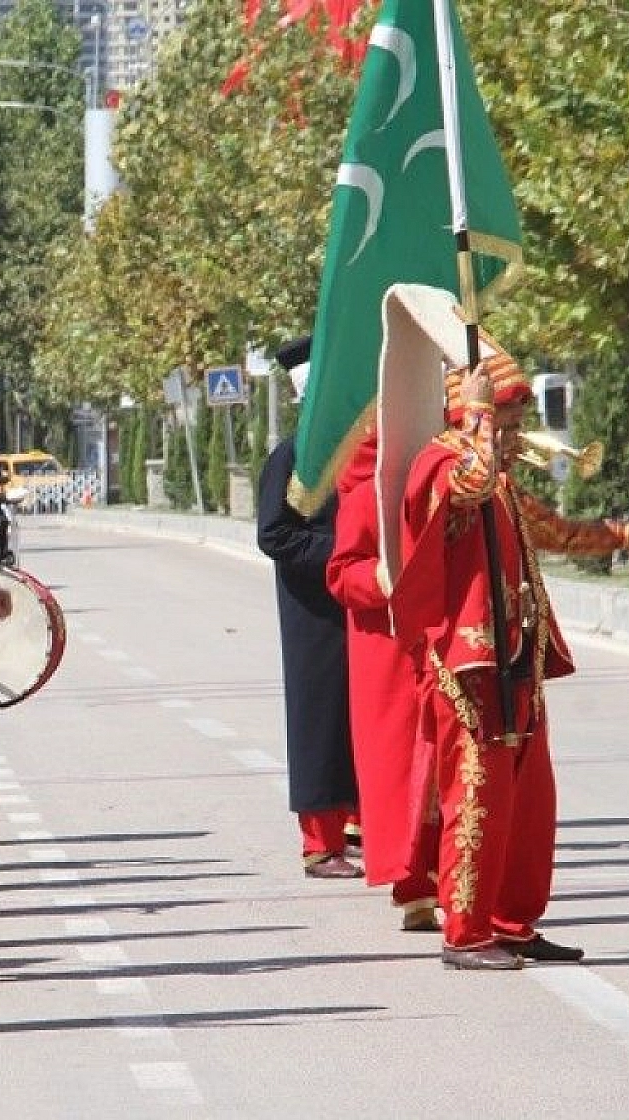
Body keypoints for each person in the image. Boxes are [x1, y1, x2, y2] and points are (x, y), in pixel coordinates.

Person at [392, 337, 629, 970]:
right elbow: (468, 483)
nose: (518, 437)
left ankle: (511, 921)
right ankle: (466, 933)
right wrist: (479, 414)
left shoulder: (502, 480)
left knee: (529, 803)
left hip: (519, 658)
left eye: (518, 423)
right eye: (508, 422)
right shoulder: (438, 465)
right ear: (469, 412)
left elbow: (555, 532)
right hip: (468, 666)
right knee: (477, 798)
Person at [326, 430, 442, 931]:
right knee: (403, 775)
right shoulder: (363, 494)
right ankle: (414, 888)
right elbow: (341, 574)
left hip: (445, 641)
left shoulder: (446, 481)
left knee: (450, 771)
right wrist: (384, 576)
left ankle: (459, 886)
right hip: (389, 655)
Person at [255, 338, 361, 879]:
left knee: (363, 718)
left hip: (363, 599)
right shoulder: (293, 456)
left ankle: (362, 824)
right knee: (320, 721)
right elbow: (274, 534)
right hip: (314, 609)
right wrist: (343, 552)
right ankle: (319, 843)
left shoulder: (362, 451)